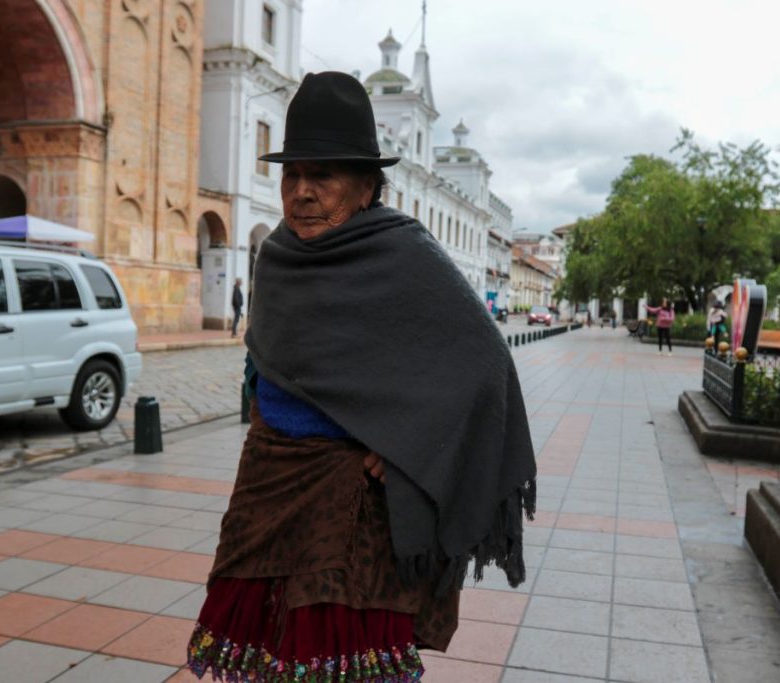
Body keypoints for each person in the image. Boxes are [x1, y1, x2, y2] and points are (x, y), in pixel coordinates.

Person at [186, 72, 537, 682]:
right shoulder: (277, 259)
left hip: (353, 504)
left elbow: (483, 367)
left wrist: (406, 445)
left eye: (322, 176)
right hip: (268, 484)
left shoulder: (405, 258)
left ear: (368, 185)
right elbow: (266, 363)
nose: (301, 191)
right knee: (271, 653)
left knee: (340, 660)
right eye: (291, 174)